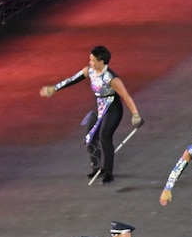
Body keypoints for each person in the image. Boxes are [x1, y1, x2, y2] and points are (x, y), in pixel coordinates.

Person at [39, 45, 143, 183]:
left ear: (102, 62)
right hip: (98, 107)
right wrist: (54, 89)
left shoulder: (111, 78)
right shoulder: (89, 71)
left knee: (104, 136)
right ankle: (96, 168)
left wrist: (135, 114)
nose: (90, 63)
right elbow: (71, 80)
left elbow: (126, 96)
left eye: (93, 60)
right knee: (90, 137)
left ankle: (108, 172)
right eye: (90, 60)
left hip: (112, 109)